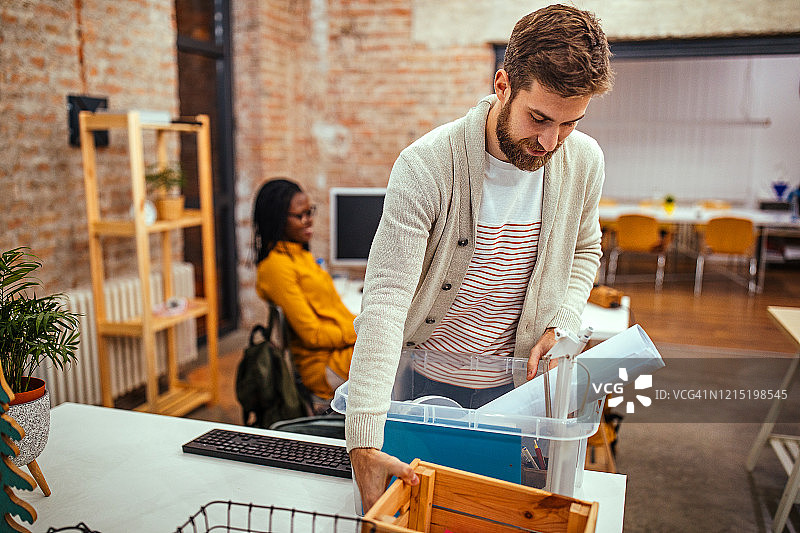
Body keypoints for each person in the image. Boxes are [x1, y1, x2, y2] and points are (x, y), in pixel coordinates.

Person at [345, 4, 614, 510]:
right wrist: (363, 436)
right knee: (426, 509)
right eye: (539, 118)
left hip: (519, 390)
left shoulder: (583, 161)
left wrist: (561, 320)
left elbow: (585, 248)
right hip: (424, 382)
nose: (550, 142)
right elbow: (384, 302)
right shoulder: (426, 166)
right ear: (502, 85)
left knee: (495, 512)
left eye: (569, 124)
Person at [253, 178, 355, 401]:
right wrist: (360, 331)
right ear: (277, 220)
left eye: (310, 212)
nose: (309, 221)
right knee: (398, 354)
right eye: (300, 215)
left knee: (404, 346)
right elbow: (313, 336)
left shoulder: (299, 254)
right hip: (324, 366)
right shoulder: (276, 267)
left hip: (341, 350)